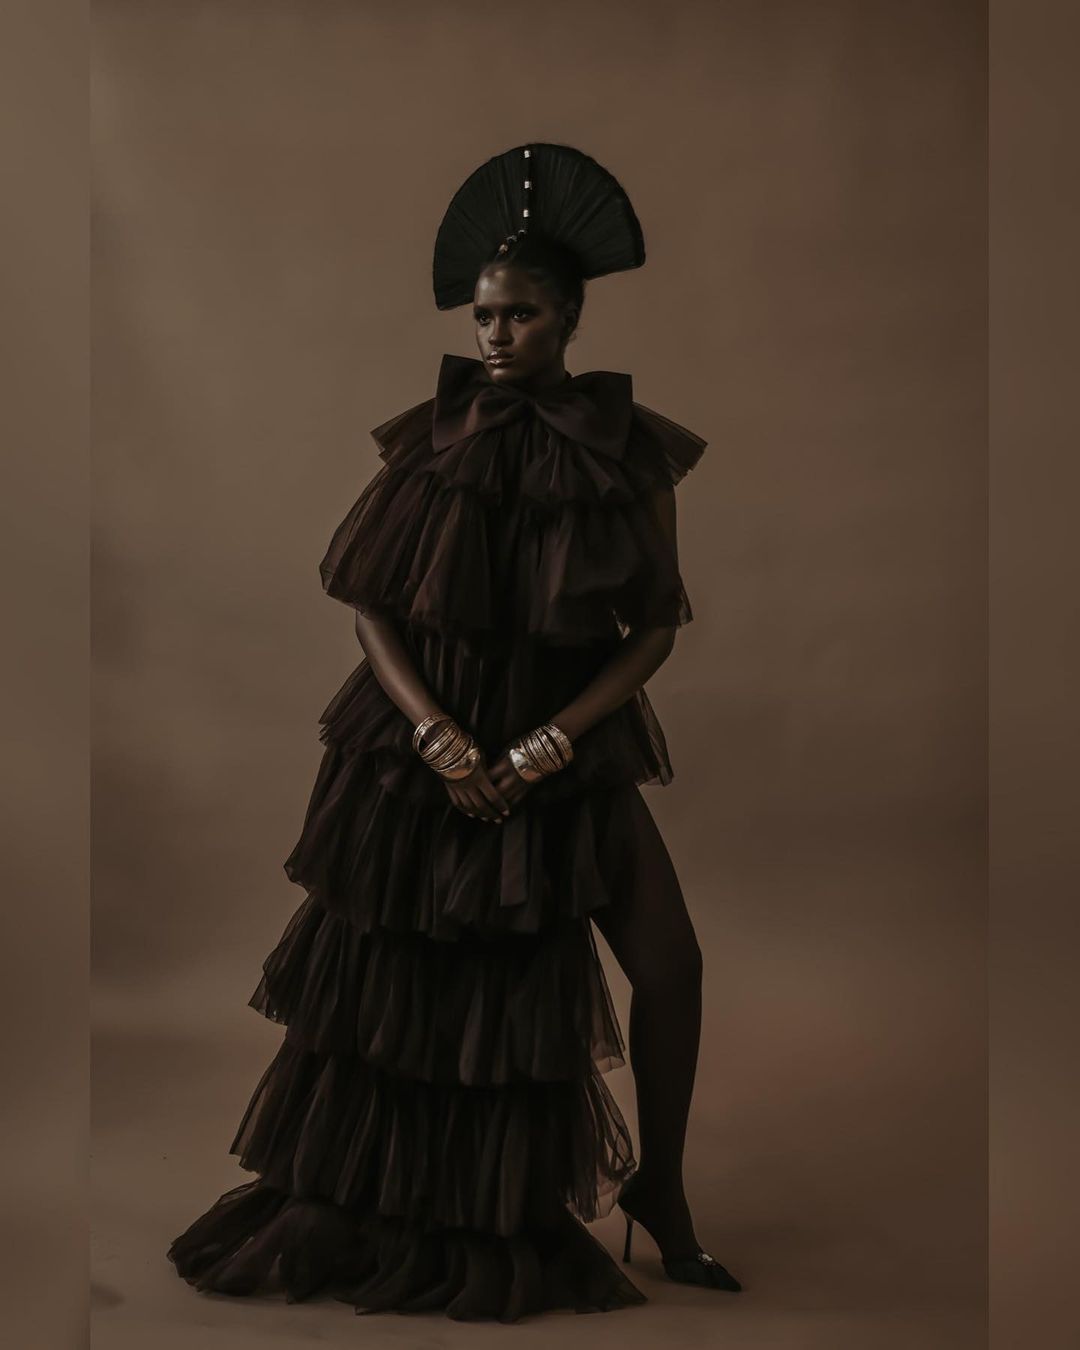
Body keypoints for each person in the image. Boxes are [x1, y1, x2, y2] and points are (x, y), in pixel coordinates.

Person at [167, 142, 741, 1322]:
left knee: (671, 967)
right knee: (420, 987)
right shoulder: (436, 433)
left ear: (569, 317)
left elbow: (653, 630)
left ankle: (665, 1191)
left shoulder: (628, 447)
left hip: (564, 751)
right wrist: (437, 738)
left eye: (519, 314)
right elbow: (370, 604)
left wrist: (546, 748)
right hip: (424, 756)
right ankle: (425, 1200)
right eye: (483, 314)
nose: (495, 335)